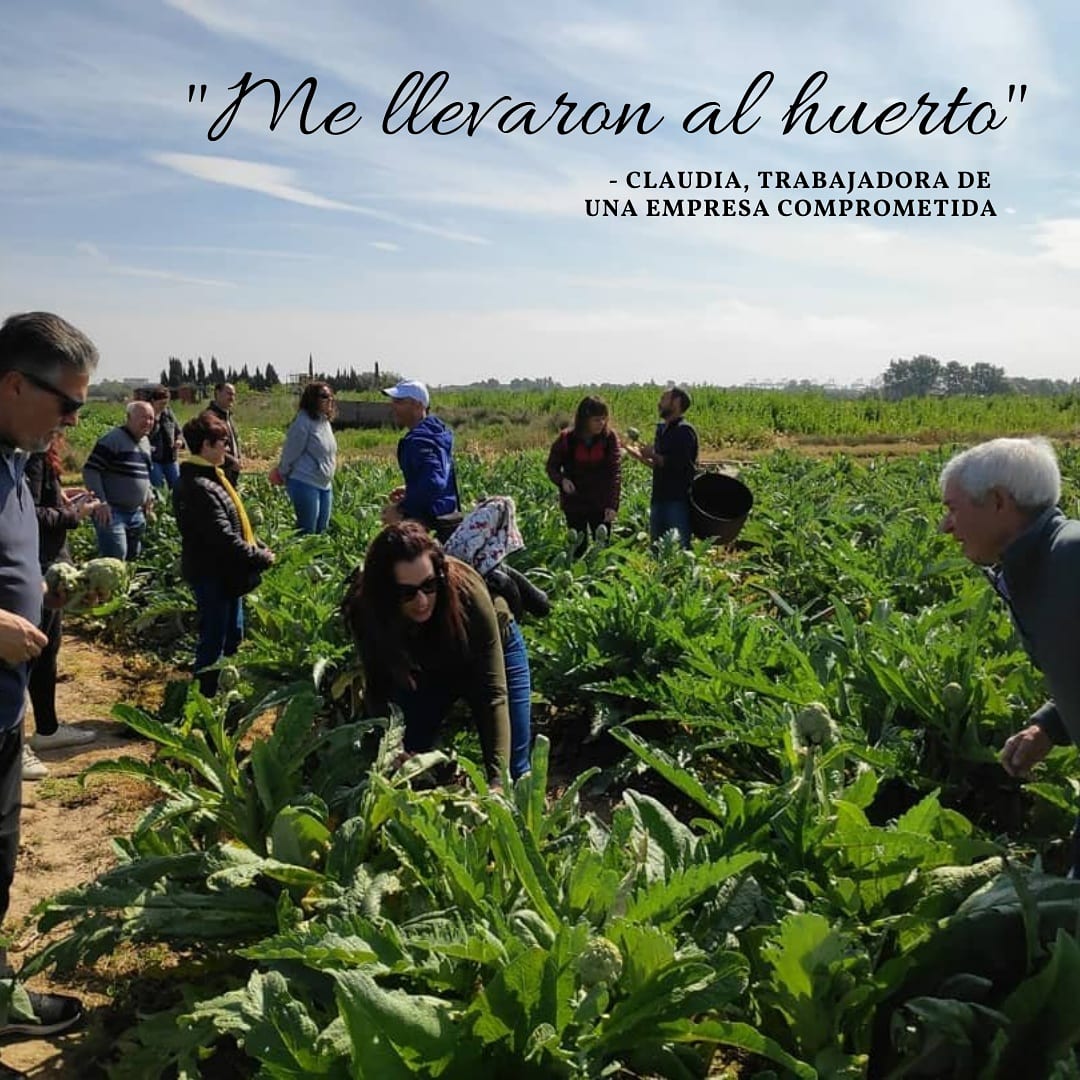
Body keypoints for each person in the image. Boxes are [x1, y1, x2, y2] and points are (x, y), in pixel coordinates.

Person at [0, 311, 93, 1063]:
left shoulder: (16, 461)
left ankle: (1, 1001)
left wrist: (42, 595)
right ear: (11, 384)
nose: (71, 421)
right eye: (67, 404)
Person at [940, 436, 1080, 875]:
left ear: (999, 501)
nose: (946, 525)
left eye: (954, 508)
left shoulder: (1072, 559)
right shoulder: (1041, 565)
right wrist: (1052, 725)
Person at [342, 522, 533, 781]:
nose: (421, 601)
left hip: (489, 647)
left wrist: (498, 782)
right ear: (385, 592)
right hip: (426, 666)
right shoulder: (366, 612)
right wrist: (394, 749)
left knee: (514, 773)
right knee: (402, 767)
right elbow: (379, 685)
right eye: (406, 593)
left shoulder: (469, 594)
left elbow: (493, 694)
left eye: (429, 585)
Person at [174, 411, 274, 697]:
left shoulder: (210, 477)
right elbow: (222, 537)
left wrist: (257, 545)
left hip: (226, 573)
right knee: (214, 639)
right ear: (206, 445)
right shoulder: (198, 487)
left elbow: (232, 525)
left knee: (233, 634)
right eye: (222, 443)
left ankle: (221, 690)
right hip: (213, 573)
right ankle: (204, 698)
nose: (227, 449)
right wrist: (259, 557)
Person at [24, 435, 101, 780]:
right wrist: (73, 513)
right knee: (22, 655)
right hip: (36, 565)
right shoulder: (30, 456)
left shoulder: (38, 455)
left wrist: (61, 498)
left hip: (50, 562)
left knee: (47, 650)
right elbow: (27, 515)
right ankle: (17, 744)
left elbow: (39, 503)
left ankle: (48, 729)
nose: (69, 423)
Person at [379, 380, 460, 534]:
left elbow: (434, 482)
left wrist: (401, 510)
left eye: (399, 402)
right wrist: (412, 488)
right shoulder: (436, 432)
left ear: (418, 405)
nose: (393, 406)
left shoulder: (419, 441)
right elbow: (440, 474)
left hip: (429, 522)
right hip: (448, 516)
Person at [624, 386, 698, 548]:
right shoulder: (662, 430)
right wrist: (635, 453)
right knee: (657, 548)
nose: (659, 403)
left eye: (664, 399)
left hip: (677, 500)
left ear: (676, 402)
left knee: (678, 548)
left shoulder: (684, 431)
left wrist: (653, 454)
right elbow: (658, 465)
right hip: (659, 498)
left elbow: (679, 465)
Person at [82, 400, 155, 561]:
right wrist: (101, 502)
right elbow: (90, 470)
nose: (148, 422)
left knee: (133, 558)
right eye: (143, 417)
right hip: (112, 512)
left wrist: (148, 496)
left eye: (151, 418)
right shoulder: (113, 439)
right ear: (128, 418)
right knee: (116, 558)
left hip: (136, 513)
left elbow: (144, 474)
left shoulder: (145, 442)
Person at [545, 395, 621, 536]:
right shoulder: (566, 439)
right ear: (584, 420)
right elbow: (551, 467)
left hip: (601, 502)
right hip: (575, 502)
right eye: (596, 420)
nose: (601, 423)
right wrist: (562, 481)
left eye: (604, 419)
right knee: (578, 546)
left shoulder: (609, 439)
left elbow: (614, 472)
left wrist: (612, 505)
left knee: (602, 545)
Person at [270, 380, 337, 535]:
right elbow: (290, 452)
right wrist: (281, 472)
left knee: (322, 532)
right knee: (307, 532)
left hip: (324, 484)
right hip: (305, 481)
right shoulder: (303, 422)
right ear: (312, 399)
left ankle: (320, 560)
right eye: (324, 396)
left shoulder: (324, 421)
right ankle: (301, 560)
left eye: (331, 396)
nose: (330, 400)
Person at [147, 386, 183, 491]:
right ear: (153, 401)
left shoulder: (168, 413)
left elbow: (178, 431)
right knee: (158, 488)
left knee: (177, 486)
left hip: (171, 457)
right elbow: (146, 435)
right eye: (161, 403)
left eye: (166, 403)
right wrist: (156, 419)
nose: (164, 406)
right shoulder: (146, 415)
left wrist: (179, 441)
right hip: (154, 458)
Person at [207, 382, 242, 486]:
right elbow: (212, 446)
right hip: (218, 471)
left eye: (234, 395)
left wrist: (238, 458)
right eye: (229, 394)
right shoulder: (210, 418)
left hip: (231, 470)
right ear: (217, 393)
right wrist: (232, 461)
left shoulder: (228, 416)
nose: (232, 398)